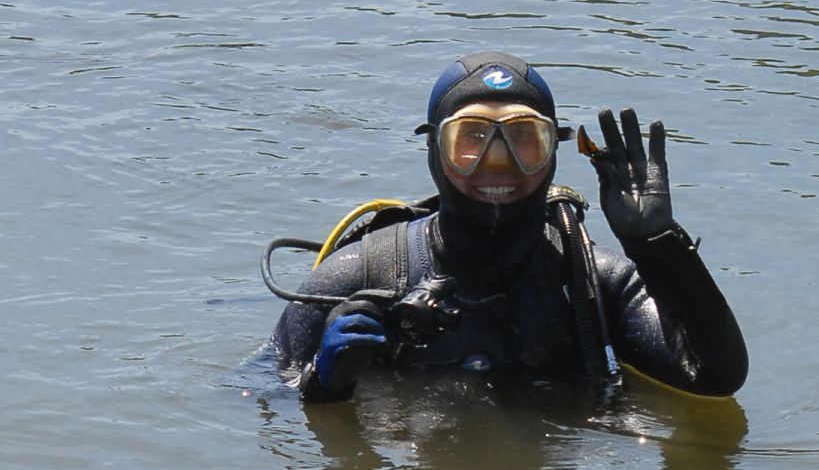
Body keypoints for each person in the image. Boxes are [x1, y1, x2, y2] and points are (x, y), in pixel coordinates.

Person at [268, 51, 748, 403]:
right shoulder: (362, 275)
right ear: (434, 150)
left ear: (555, 152)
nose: (498, 165)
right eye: (471, 140)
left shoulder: (593, 284)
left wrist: (657, 246)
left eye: (524, 140)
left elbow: (713, 376)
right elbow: (251, 399)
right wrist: (323, 384)